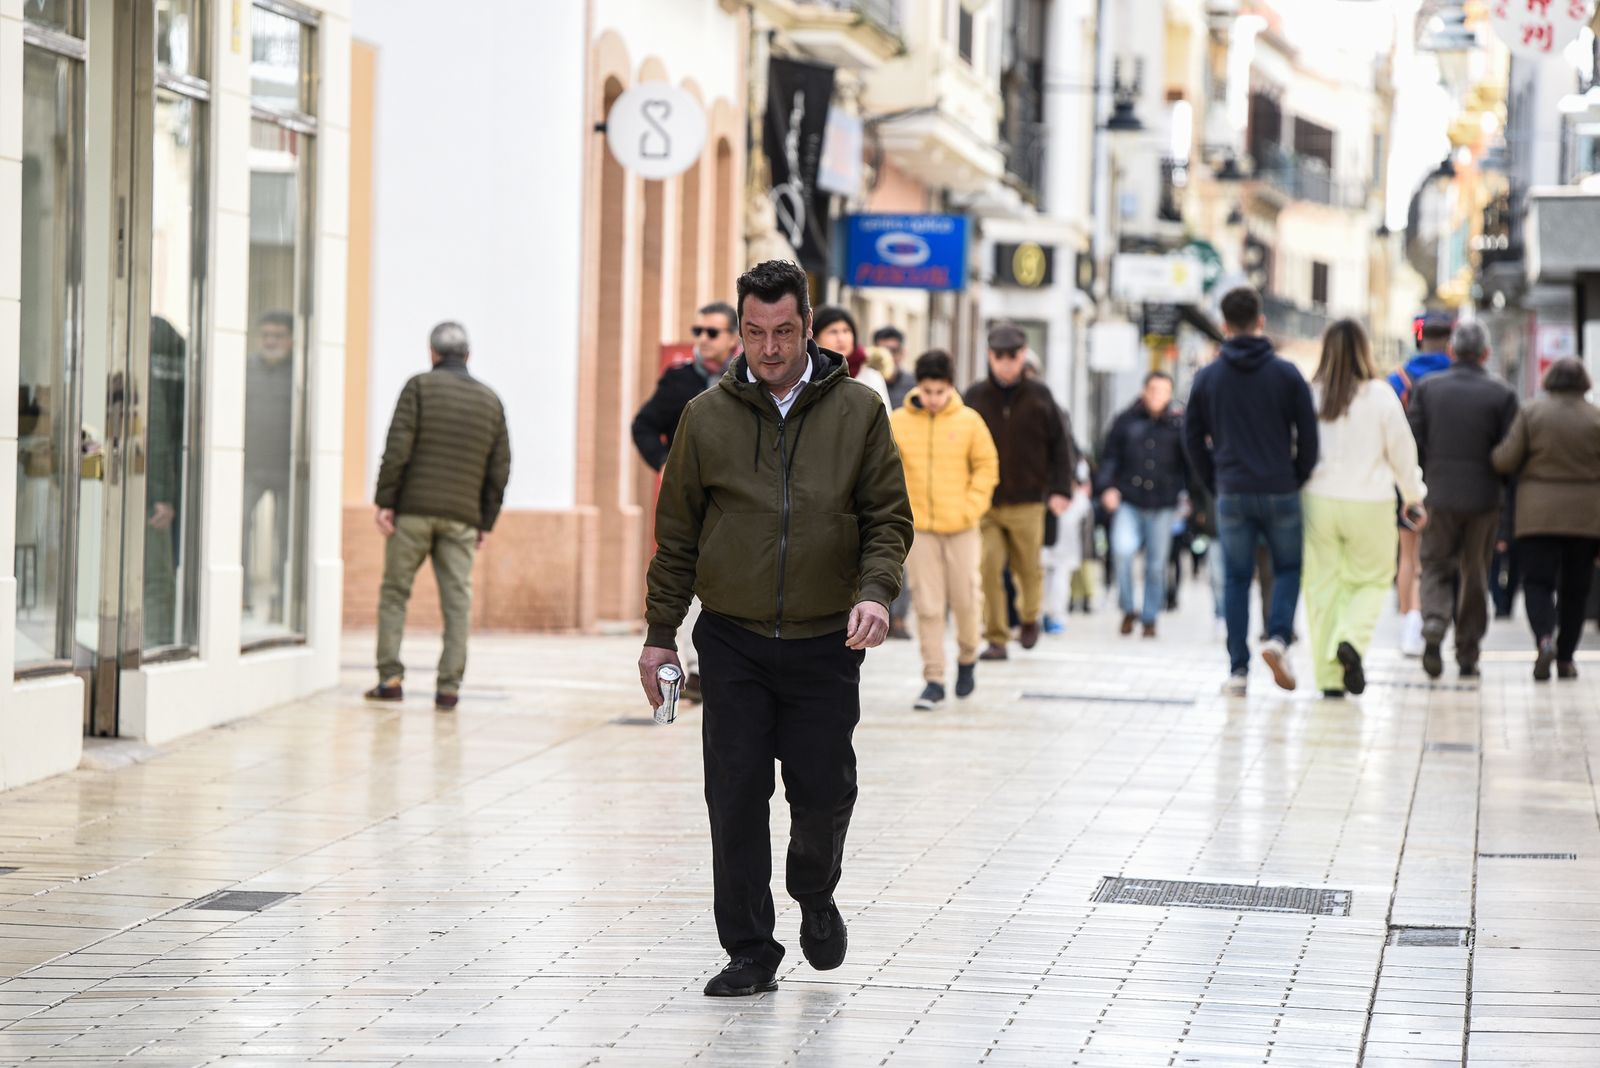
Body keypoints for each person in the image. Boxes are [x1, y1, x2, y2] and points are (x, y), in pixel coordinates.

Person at [638, 260, 913, 998]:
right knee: (733, 794)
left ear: (809, 327)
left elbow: (888, 517)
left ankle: (814, 891)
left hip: (828, 640)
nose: (769, 348)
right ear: (740, 329)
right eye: (755, 332)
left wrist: (878, 594)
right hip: (733, 639)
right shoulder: (705, 417)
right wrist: (661, 634)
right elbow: (678, 537)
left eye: (783, 331)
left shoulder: (858, 411)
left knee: (823, 792)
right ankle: (750, 949)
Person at [366, 322, 511, 711]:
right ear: (468, 355)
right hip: (462, 519)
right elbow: (500, 469)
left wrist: (385, 501)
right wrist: (484, 520)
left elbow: (398, 447)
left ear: (432, 353)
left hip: (412, 513)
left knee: (395, 593)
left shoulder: (418, 387)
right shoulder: (490, 400)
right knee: (457, 602)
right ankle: (449, 687)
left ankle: (390, 678)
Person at [1184, 286, 1319, 696]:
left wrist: (1215, 481)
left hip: (1232, 490)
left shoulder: (1208, 378)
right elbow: (1309, 437)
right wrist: (1295, 476)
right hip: (1279, 487)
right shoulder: (1287, 374)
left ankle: (1238, 671)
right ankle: (1278, 637)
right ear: (1261, 322)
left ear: (1224, 326)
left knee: (1236, 579)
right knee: (1287, 568)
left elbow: (1191, 439)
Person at [1301, 320, 1426, 699]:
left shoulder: (1311, 394)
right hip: (1371, 501)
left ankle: (1328, 677)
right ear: (1364, 350)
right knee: (1371, 579)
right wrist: (1413, 495)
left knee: (1322, 586)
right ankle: (1352, 641)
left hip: (1317, 500)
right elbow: (1402, 450)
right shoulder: (1380, 395)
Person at [630, 301, 742, 702]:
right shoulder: (679, 380)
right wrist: (663, 464)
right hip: (691, 499)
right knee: (689, 572)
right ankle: (696, 668)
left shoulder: (747, 378)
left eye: (712, 332)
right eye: (698, 331)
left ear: (732, 337)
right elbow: (643, 424)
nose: (702, 340)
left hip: (734, 500)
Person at [1407, 320, 1519, 680]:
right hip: (1484, 500)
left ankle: (1435, 622)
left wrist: (1428, 478)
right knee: (1475, 573)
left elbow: (1414, 443)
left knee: (1435, 564)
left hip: (1439, 495)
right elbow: (1510, 455)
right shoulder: (1502, 394)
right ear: (1485, 354)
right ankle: (1467, 651)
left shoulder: (1427, 389)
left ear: (1451, 352)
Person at [889, 349, 999, 710]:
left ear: (951, 387)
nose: (934, 399)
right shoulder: (899, 422)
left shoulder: (969, 422)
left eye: (940, 391)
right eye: (927, 391)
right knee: (928, 604)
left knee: (967, 599)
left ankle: (967, 658)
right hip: (920, 528)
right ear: (918, 387)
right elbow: (886, 469)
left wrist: (972, 507)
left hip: (963, 527)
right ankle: (933, 678)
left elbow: (987, 467)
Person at [965, 323, 1075, 660]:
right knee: (988, 568)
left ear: (1023, 355)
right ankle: (997, 638)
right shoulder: (975, 396)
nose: (1006, 363)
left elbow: (1062, 445)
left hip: (1029, 500)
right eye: (999, 356)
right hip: (986, 501)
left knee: (1028, 567)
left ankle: (1030, 617)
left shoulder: (1041, 396)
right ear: (989, 356)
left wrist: (1060, 489)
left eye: (1012, 356)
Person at [1491, 357, 1600, 681]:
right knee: (1576, 590)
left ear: (1550, 380)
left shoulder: (1531, 412)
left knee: (1537, 583)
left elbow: (1505, 459)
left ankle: (1544, 639)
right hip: (1585, 519)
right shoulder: (1595, 419)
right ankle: (1566, 659)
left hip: (1536, 517)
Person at [1099, 372, 1188, 639]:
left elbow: (1189, 464)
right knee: (1122, 552)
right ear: (1144, 391)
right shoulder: (1125, 421)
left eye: (1163, 391)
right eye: (1152, 390)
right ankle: (1128, 608)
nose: (1156, 396)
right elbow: (1109, 457)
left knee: (1156, 564)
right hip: (1129, 499)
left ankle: (1149, 617)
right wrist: (1107, 488)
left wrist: (1190, 497)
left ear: (1169, 394)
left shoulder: (1179, 424)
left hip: (1163, 503)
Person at [1387, 311, 1455, 657]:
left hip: (1406, 480)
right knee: (1435, 558)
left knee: (1408, 554)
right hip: (1446, 481)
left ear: (1419, 339)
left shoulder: (1397, 380)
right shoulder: (1457, 377)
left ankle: (1409, 624)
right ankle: (1431, 618)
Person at [242, 311, 297, 621]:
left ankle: (282, 601)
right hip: (251, 468)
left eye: (277, 336)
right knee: (238, 529)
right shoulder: (247, 369)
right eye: (266, 336)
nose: (271, 342)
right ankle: (242, 598)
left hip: (288, 471)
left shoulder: (300, 373)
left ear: (290, 340)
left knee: (286, 538)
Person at [812, 305, 892, 411]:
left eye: (846, 331)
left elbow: (884, 420)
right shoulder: (806, 374)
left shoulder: (870, 377)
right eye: (833, 332)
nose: (841, 338)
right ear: (815, 337)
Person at [872, 325, 916, 409]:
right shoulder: (864, 382)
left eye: (893, 351)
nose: (888, 357)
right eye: (883, 351)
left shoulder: (914, 385)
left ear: (903, 353)